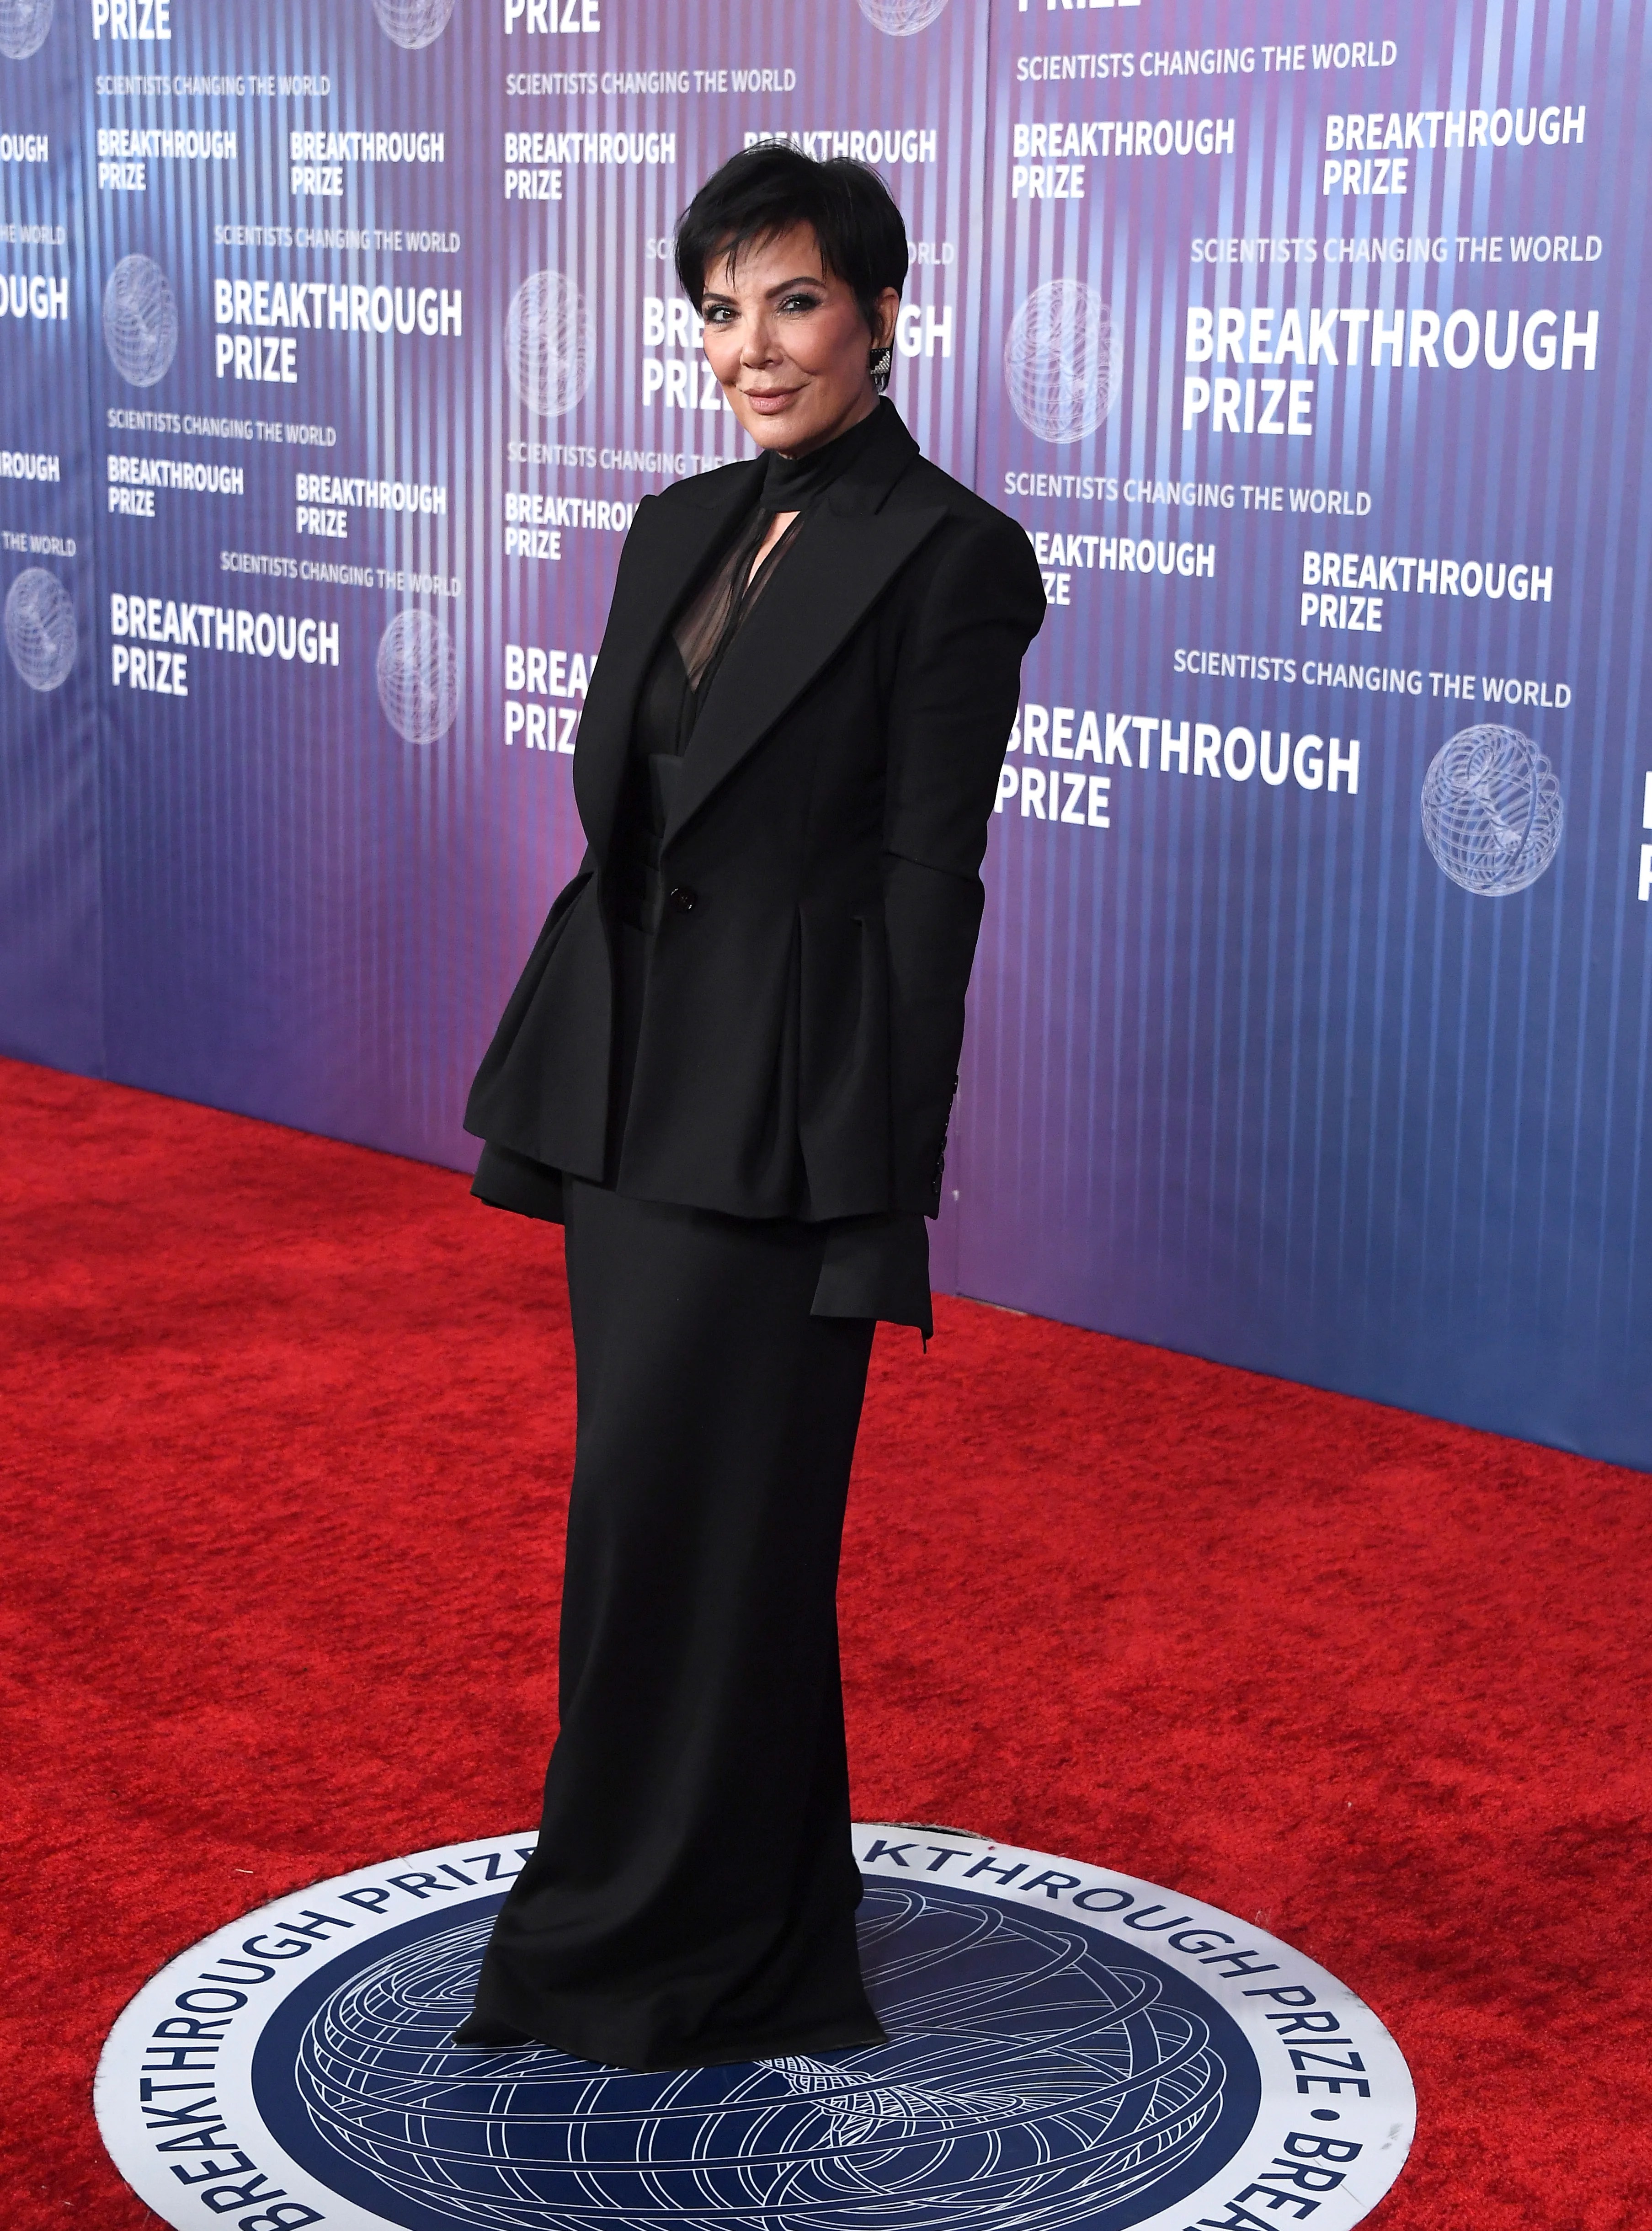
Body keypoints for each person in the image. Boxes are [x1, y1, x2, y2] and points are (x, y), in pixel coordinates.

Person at [456, 145, 1044, 2072]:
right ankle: (761, 1924)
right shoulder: (674, 520)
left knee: (694, 1526)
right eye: (719, 309)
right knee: (692, 1526)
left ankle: (630, 1934)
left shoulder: (955, 556)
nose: (748, 348)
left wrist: (886, 1184)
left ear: (881, 312)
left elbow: (923, 884)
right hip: (626, 1098)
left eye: (791, 301)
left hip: (785, 1119)